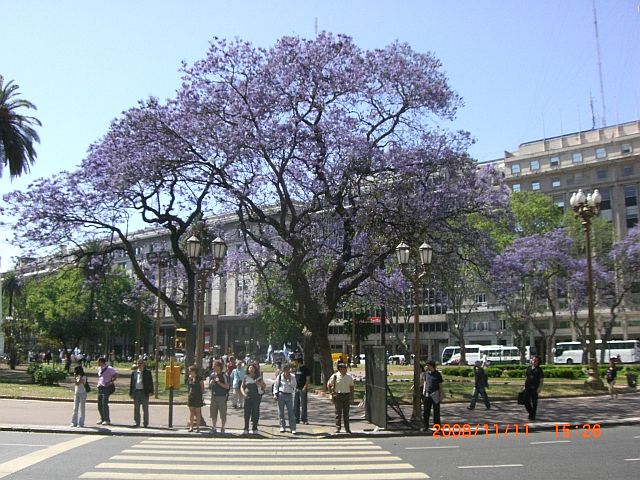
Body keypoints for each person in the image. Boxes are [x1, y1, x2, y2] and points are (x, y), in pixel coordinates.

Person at [327, 362, 354, 434]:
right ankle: (338, 428)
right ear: (339, 369)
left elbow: (351, 387)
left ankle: (347, 429)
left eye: (345, 368)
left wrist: (351, 396)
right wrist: (331, 394)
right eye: (343, 368)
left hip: (346, 395)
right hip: (338, 395)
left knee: (346, 413)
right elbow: (329, 385)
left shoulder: (349, 377)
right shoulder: (335, 376)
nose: (345, 370)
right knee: (338, 413)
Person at [240, 363, 266, 434]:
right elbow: (242, 387)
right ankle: (246, 428)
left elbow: (264, 385)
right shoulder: (245, 377)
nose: (251, 369)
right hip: (248, 397)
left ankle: (255, 428)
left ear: (255, 370)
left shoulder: (258, 377)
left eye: (253, 368)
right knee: (247, 413)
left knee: (255, 412)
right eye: (250, 368)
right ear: (248, 369)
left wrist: (258, 383)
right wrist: (244, 394)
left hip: (256, 397)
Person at [129, 358, 154, 427]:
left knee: (145, 409)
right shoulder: (134, 373)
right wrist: (131, 393)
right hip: (136, 392)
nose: (139, 365)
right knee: (136, 409)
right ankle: (137, 423)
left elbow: (151, 383)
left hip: (144, 392)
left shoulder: (147, 372)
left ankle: (145, 423)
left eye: (141, 363)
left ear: (143, 364)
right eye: (138, 363)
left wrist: (151, 391)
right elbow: (132, 384)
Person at [273, 363, 297, 433]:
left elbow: (295, 385)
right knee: (281, 412)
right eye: (285, 369)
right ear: (283, 370)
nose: (286, 371)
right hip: (281, 395)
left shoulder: (292, 376)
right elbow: (275, 385)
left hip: (289, 395)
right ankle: (282, 426)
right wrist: (275, 394)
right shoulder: (280, 376)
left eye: (287, 369)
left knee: (291, 412)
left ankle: (293, 428)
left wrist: (289, 381)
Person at [420, 360, 443, 432]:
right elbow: (424, 383)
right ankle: (425, 426)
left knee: (436, 412)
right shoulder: (426, 374)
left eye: (427, 365)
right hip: (427, 394)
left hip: (435, 394)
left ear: (431, 366)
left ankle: (437, 427)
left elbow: (440, 385)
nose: (426, 367)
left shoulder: (437, 374)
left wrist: (441, 395)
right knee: (426, 412)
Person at [208, 360, 230, 433]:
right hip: (214, 396)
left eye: (214, 366)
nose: (212, 367)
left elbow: (227, 387)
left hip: (222, 397)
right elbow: (209, 386)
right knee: (213, 413)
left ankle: (223, 427)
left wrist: (218, 382)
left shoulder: (224, 375)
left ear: (218, 366)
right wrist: (211, 384)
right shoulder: (212, 375)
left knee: (223, 413)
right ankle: (214, 427)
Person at [96, 357, 118, 425]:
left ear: (101, 362)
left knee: (104, 404)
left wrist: (111, 381)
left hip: (106, 387)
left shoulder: (109, 368)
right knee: (99, 404)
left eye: (98, 362)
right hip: (100, 387)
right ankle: (102, 418)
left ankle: (107, 419)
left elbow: (116, 375)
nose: (97, 363)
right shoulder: (99, 369)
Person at [523, 355, 544, 421]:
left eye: (535, 360)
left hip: (534, 388)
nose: (534, 361)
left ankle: (532, 415)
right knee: (526, 401)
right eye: (533, 360)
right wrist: (524, 386)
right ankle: (531, 412)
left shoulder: (539, 370)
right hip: (527, 387)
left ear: (538, 362)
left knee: (534, 402)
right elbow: (526, 378)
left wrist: (539, 388)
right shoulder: (529, 368)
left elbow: (541, 380)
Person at [294, 356, 311, 425]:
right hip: (297, 388)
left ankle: (304, 419)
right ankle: (296, 419)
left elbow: (308, 379)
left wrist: (305, 387)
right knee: (296, 404)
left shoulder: (305, 369)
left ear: (298, 361)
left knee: (303, 405)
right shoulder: (297, 369)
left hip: (303, 388)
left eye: (295, 361)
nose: (295, 362)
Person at [187, 364, 205, 432]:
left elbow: (202, 388)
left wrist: (202, 396)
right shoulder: (189, 378)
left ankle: (198, 427)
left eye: (190, 371)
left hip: (198, 396)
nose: (189, 372)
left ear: (194, 371)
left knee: (197, 412)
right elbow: (189, 387)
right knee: (191, 412)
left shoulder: (199, 378)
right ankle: (191, 427)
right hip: (191, 396)